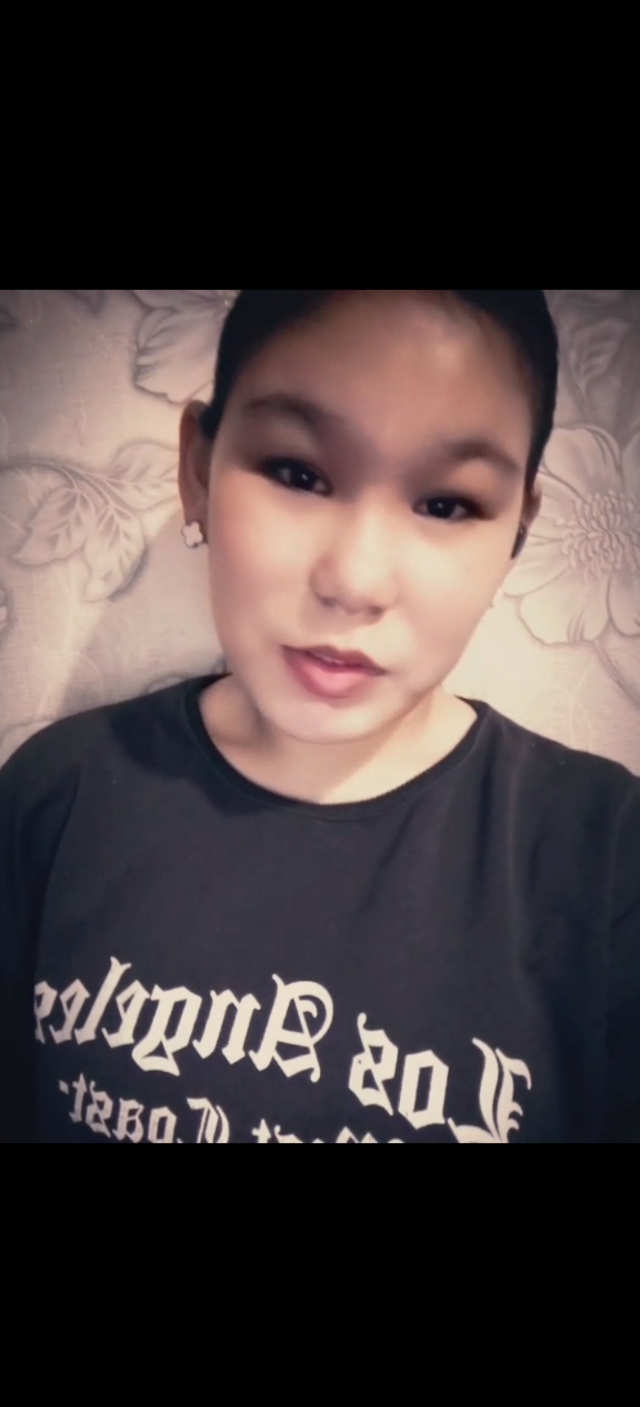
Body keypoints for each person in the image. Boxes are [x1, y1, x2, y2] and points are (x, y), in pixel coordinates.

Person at [1, 288, 639, 1144]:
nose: (355, 580)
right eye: (298, 473)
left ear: (516, 533)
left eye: (447, 504)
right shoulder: (57, 794)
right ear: (198, 470)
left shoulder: (606, 857)